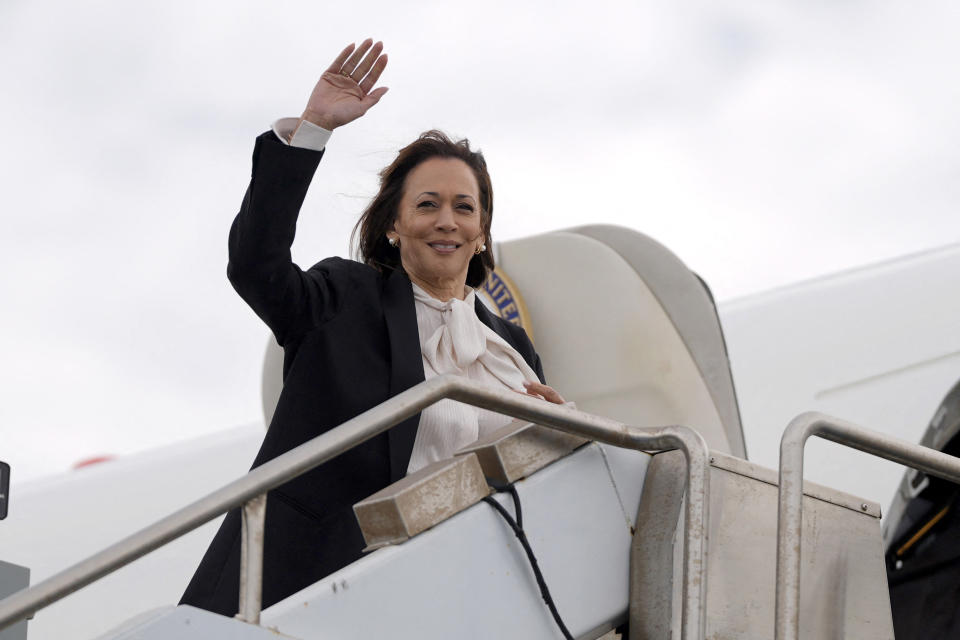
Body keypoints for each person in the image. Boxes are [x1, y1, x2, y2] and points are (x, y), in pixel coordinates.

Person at [180, 38, 565, 617]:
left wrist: (557, 434)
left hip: (457, 597)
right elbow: (256, 266)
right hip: (305, 589)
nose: (446, 221)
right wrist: (312, 129)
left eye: (464, 207)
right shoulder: (345, 297)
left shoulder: (511, 351)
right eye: (427, 204)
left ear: (482, 230)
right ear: (393, 225)